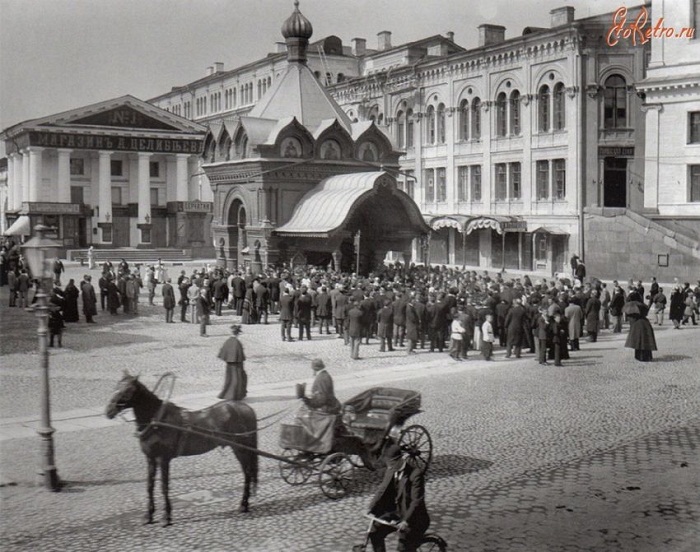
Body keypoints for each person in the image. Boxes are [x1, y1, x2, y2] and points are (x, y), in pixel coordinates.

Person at [367, 441, 430, 552]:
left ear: (400, 460)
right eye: (388, 464)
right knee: (374, 532)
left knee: (402, 548)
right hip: (398, 513)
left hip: (414, 519)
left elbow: (416, 501)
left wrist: (405, 521)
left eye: (391, 464)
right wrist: (370, 508)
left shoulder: (415, 474)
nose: (389, 467)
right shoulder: (391, 469)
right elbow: (382, 489)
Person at [217, 325, 248, 400]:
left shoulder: (228, 341)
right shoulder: (237, 343)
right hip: (237, 364)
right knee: (237, 378)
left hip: (229, 364)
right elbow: (240, 355)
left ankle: (227, 393)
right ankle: (234, 395)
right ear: (237, 334)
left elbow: (223, 352)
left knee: (229, 378)